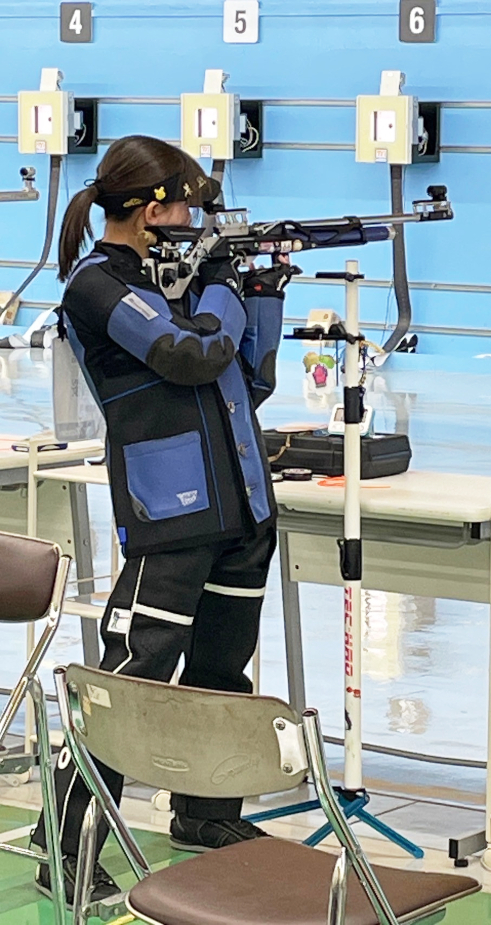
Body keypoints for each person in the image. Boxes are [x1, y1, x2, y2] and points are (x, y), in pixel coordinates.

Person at [32, 134, 298, 906]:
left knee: (223, 673)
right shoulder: (98, 284)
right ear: (153, 210)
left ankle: (206, 816)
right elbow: (188, 354)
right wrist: (220, 281)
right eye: (187, 203)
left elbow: (249, 376)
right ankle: (67, 841)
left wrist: (264, 290)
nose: (197, 217)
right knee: (131, 676)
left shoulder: (173, 276)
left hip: (242, 505)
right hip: (171, 512)